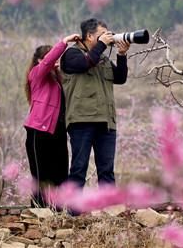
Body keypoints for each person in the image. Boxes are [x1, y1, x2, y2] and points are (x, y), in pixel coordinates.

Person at [60, 18, 130, 191]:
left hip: (106, 122)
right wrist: (102, 46)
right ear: (89, 36)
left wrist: (121, 55)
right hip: (81, 121)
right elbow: (85, 63)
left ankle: (109, 211)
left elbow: (120, 78)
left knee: (107, 171)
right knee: (79, 169)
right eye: (102, 35)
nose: (107, 38)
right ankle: (73, 213)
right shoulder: (71, 55)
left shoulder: (102, 59)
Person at [23, 33, 80, 208]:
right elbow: (49, 62)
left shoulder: (58, 80)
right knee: (41, 176)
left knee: (60, 174)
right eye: (48, 58)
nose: (55, 62)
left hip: (58, 133)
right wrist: (64, 42)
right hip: (39, 132)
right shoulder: (36, 75)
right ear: (40, 61)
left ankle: (58, 210)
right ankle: (39, 213)